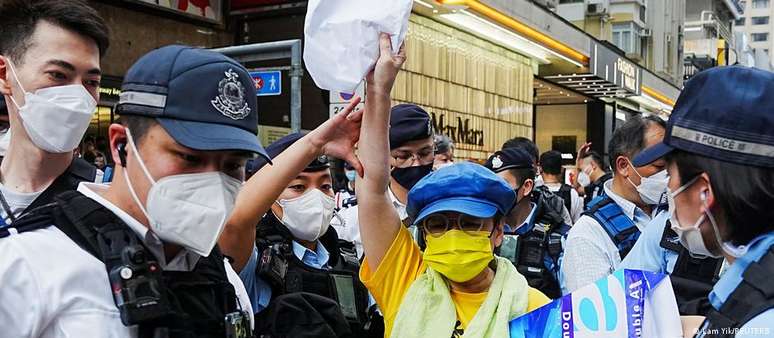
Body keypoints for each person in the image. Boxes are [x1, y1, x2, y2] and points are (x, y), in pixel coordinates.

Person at [0, 45, 260, 337]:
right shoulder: (25, 267)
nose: (211, 181)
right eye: (189, 158)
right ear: (120, 145)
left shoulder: (223, 280)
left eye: (233, 165)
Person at [355, 34, 550, 338]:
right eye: (438, 224)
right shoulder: (405, 279)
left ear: (498, 232)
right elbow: (372, 187)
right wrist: (378, 90)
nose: (453, 235)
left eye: (471, 224)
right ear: (424, 234)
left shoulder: (534, 309)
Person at [629, 66, 774, 338]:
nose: (668, 189)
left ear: (704, 192)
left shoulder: (759, 323)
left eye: (669, 175)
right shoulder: (747, 293)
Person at [240, 132, 377, 336]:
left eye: (325, 186)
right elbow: (237, 222)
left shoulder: (347, 259)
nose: (316, 196)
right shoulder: (254, 257)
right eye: (298, 187)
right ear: (270, 195)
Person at [0, 0, 106, 227]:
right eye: (58, 75)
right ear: (4, 75)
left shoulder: (108, 199)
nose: (78, 96)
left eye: (91, 82)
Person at [561, 115, 669, 294]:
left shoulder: (676, 212)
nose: (668, 175)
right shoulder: (588, 234)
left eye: (672, 166)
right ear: (623, 166)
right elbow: (593, 315)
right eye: (659, 167)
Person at [484, 147, 570, 299]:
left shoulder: (558, 237)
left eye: (502, 185)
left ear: (527, 186)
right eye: (490, 186)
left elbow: (570, 298)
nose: (495, 193)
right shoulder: (481, 229)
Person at [501, 137, 573, 226]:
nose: (521, 174)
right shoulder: (490, 203)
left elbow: (567, 235)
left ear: (537, 167)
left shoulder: (554, 204)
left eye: (526, 167)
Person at [539, 150, 583, 223]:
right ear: (562, 169)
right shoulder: (571, 193)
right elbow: (577, 221)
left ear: (540, 169)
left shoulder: (534, 193)